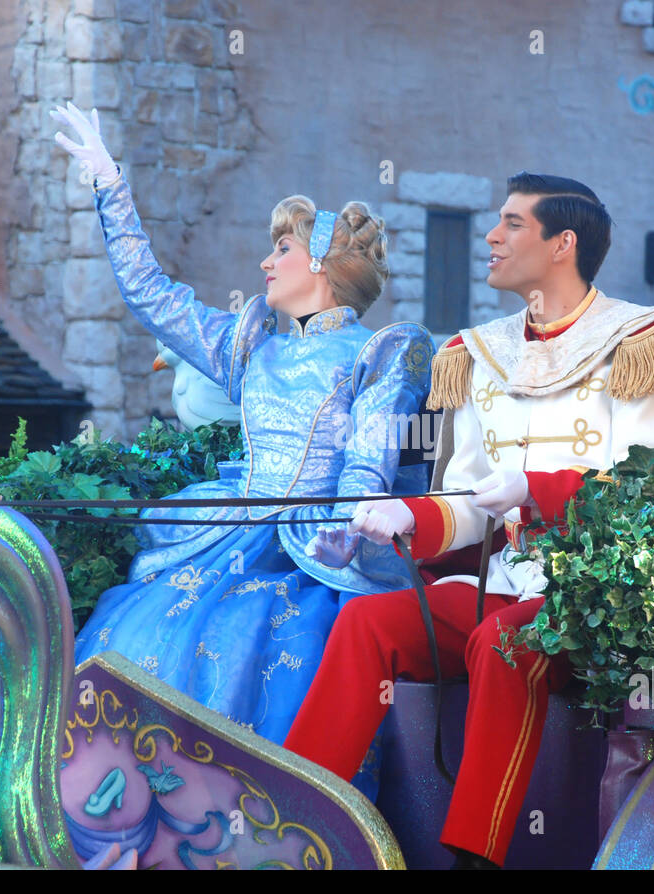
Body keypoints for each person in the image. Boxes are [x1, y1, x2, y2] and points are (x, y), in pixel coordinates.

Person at [285, 172, 654, 868]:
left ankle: (473, 854)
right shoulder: (479, 354)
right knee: (366, 623)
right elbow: (470, 504)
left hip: (603, 595)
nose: (491, 236)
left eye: (512, 224)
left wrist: (533, 487)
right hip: (500, 579)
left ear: (563, 244)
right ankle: (292, 827)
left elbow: (651, 492)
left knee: (503, 642)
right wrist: (395, 518)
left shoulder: (643, 339)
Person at [50, 102, 434, 758]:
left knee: (242, 638)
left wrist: (350, 534)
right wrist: (110, 186)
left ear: (320, 266)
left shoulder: (379, 353)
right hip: (224, 529)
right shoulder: (253, 346)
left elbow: (367, 469)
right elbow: (151, 297)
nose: (265, 262)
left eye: (281, 249)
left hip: (313, 550)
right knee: (143, 628)